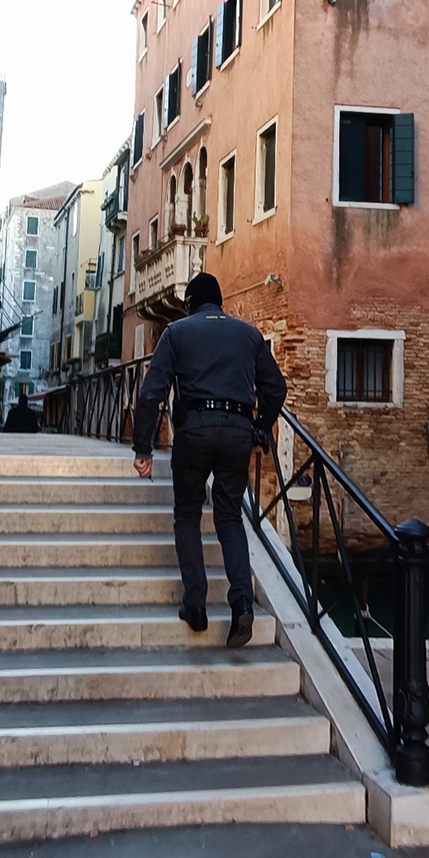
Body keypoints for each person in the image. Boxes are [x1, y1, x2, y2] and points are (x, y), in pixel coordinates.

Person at [133, 272, 286, 647]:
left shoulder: (177, 332)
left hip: (195, 431)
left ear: (190, 303)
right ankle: (241, 603)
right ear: (220, 302)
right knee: (230, 516)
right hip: (237, 431)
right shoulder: (249, 334)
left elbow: (152, 393)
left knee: (187, 512)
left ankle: (196, 604)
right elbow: (276, 388)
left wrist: (143, 449)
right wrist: (260, 429)